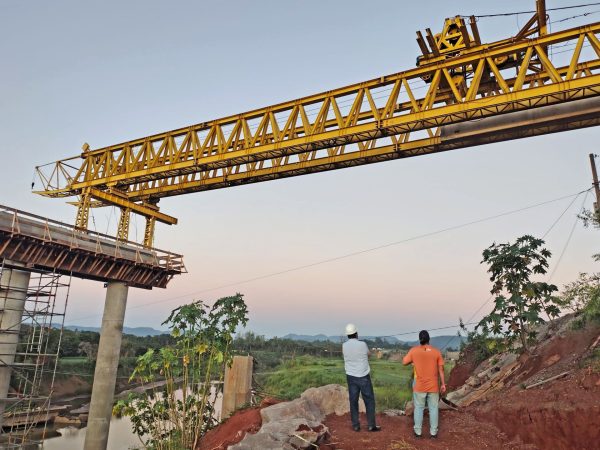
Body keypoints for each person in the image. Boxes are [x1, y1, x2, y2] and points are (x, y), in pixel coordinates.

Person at [402, 330, 446, 439]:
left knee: (419, 408)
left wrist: (414, 360)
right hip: (433, 385)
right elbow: (441, 370)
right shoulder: (436, 352)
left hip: (419, 385)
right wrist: (443, 384)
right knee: (434, 408)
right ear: (429, 339)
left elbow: (404, 362)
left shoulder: (414, 350)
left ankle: (418, 432)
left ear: (419, 339)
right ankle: (433, 433)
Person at [342, 323, 381, 432]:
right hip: (363, 376)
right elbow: (368, 354)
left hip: (351, 376)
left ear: (347, 335)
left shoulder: (344, 346)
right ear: (356, 333)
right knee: (369, 400)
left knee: (353, 400)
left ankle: (355, 425)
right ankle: (371, 425)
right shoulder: (363, 344)